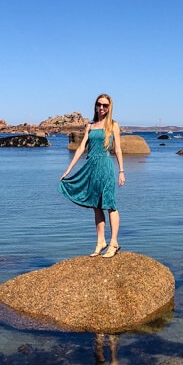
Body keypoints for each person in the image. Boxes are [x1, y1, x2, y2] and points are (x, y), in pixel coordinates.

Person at [59, 93, 125, 258]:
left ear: (109, 108)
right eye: (99, 104)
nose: (102, 108)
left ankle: (114, 242)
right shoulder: (90, 126)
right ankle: (100, 241)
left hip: (106, 166)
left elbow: (117, 149)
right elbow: (81, 148)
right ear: (95, 106)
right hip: (91, 167)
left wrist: (122, 171)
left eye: (105, 105)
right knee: (96, 205)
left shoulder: (113, 125)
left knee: (110, 204)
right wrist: (68, 169)